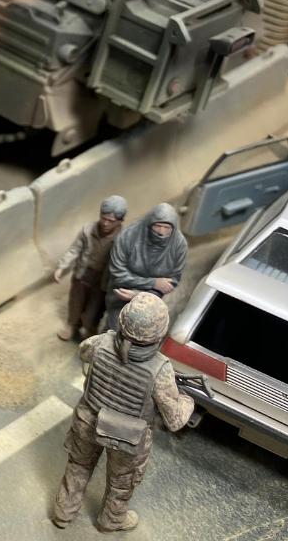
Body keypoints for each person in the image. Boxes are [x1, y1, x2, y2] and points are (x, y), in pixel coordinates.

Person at [52, 293, 195, 532]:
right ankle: (111, 520)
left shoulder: (100, 342)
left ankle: (63, 513)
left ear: (122, 321)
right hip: (128, 437)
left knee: (78, 465)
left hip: (88, 419)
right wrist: (187, 400)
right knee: (121, 483)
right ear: (159, 334)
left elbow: (83, 353)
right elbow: (175, 420)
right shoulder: (161, 370)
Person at [103, 202, 188, 332]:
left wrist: (140, 296)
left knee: (139, 333)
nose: (161, 232)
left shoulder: (179, 245)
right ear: (149, 224)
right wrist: (153, 282)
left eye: (166, 227)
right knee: (113, 329)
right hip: (120, 294)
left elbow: (171, 282)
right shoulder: (128, 237)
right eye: (157, 226)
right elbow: (118, 273)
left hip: (150, 299)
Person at [53, 195, 127, 341]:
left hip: (103, 279)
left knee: (95, 308)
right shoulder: (87, 230)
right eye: (103, 218)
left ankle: (90, 328)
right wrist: (61, 267)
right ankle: (71, 325)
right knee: (76, 301)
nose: (105, 223)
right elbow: (74, 249)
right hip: (83, 273)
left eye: (111, 221)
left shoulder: (123, 238)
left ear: (119, 221)